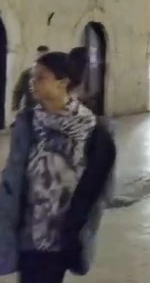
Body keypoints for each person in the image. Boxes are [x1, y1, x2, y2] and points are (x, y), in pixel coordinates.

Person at [0, 51, 116, 283]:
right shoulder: (27, 123)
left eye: (41, 77)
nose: (33, 82)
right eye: (33, 76)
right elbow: (14, 174)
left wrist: (83, 226)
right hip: (28, 232)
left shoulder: (93, 130)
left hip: (65, 234)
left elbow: (101, 188)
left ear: (63, 83)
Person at [11, 45, 49, 113]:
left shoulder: (53, 74)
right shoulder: (26, 73)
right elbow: (18, 90)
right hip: (30, 108)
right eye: (40, 56)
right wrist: (15, 106)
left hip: (48, 109)